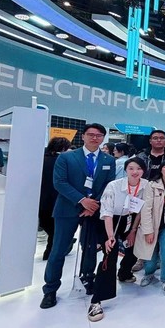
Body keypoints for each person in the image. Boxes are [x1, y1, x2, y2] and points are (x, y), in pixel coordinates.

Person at [41, 123, 117, 310]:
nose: (94, 138)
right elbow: (59, 182)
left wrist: (93, 204)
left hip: (94, 210)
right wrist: (82, 200)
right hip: (68, 209)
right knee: (58, 249)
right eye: (91, 134)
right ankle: (50, 289)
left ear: (103, 138)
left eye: (99, 135)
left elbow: (109, 184)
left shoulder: (108, 160)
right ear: (83, 136)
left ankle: (87, 278)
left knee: (90, 248)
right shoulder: (66, 157)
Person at [86, 157, 149, 322]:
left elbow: (141, 210)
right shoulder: (113, 186)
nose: (135, 172)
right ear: (125, 170)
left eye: (139, 169)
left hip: (130, 220)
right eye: (131, 168)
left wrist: (133, 231)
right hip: (110, 222)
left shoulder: (146, 185)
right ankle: (96, 301)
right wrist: (110, 237)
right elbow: (106, 212)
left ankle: (124, 273)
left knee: (135, 248)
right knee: (110, 256)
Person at [134, 157, 165, 297]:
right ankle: (149, 273)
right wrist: (148, 230)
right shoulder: (152, 185)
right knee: (151, 254)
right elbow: (146, 209)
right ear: (161, 169)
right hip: (153, 225)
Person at [38, 137, 72, 260]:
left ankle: (51, 252)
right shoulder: (64, 162)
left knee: (47, 225)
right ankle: (53, 252)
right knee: (56, 229)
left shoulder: (41, 160)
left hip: (41, 200)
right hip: (58, 200)